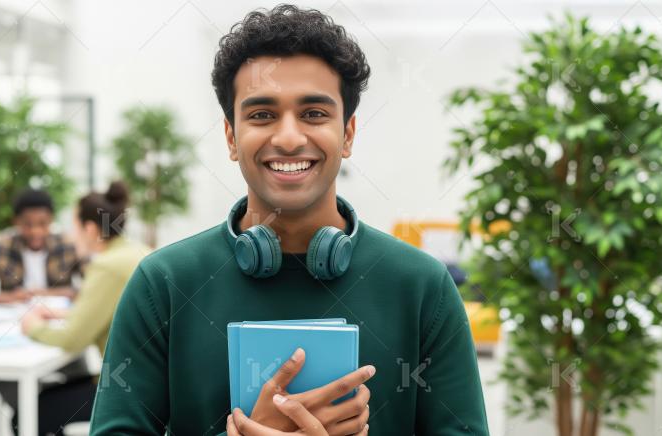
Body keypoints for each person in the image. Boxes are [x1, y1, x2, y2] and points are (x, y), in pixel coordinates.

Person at [90, 4, 489, 435]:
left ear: (348, 133)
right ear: (231, 137)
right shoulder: (163, 285)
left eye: (314, 113)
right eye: (262, 114)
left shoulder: (421, 286)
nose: (288, 137)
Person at [6, 182, 145, 435]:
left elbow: (72, 340)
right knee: (49, 400)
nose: (70, 235)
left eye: (74, 226)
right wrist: (67, 314)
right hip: (145, 381)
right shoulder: (132, 252)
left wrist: (32, 326)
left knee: (26, 415)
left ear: (90, 229)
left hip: (127, 388)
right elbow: (113, 311)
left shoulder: (107, 266)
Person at [0, 189, 82, 303]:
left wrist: (47, 293)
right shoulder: (0, 246)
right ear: (16, 221)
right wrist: (8, 297)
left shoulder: (68, 245)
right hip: (12, 316)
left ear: (51, 220)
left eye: (42, 223)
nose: (35, 231)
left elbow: (92, 284)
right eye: (28, 224)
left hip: (58, 315)